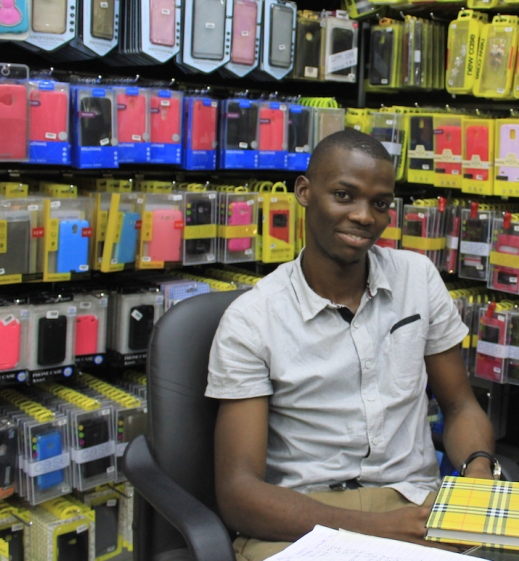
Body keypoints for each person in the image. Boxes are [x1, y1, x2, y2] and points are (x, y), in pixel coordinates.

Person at [206, 129, 497, 561]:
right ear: (304, 192)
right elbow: (238, 493)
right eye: (344, 195)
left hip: (415, 504)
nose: (364, 216)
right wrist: (377, 529)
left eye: (380, 203)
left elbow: (459, 406)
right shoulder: (252, 320)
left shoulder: (417, 278)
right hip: (303, 521)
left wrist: (477, 468)